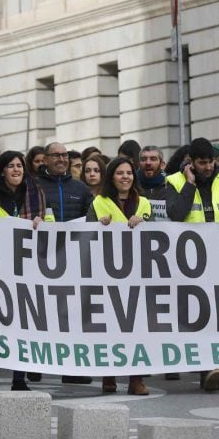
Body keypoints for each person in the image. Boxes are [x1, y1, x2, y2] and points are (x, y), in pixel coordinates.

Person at [166, 137, 219, 391]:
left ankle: (215, 365)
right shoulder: (175, 182)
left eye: (210, 162)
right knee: (200, 314)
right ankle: (208, 367)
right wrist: (190, 185)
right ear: (191, 163)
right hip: (189, 261)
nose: (206, 167)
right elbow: (175, 214)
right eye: (201, 163)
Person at [0, 151, 47, 394]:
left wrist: (42, 225)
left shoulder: (36, 193)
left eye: (20, 166)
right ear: (2, 170)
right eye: (11, 166)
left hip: (27, 266)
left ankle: (19, 377)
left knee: (23, 323)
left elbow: (51, 226)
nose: (16, 170)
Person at [87, 156, 151, 396]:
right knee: (111, 327)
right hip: (108, 275)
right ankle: (109, 376)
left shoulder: (145, 203)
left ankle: (136, 379)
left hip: (139, 274)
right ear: (112, 177)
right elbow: (86, 236)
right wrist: (97, 226)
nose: (126, 177)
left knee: (138, 328)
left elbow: (158, 236)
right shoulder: (98, 203)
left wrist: (144, 223)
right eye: (120, 173)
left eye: (129, 173)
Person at [36, 142, 93, 222]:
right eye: (56, 155)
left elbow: (91, 219)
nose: (61, 159)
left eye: (65, 155)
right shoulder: (34, 186)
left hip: (75, 234)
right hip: (43, 234)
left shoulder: (82, 188)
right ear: (45, 160)